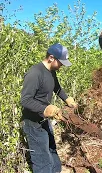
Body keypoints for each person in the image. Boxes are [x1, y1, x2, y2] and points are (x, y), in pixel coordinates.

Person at [20, 43, 78, 173]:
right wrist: (45, 109)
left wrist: (67, 99)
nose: (62, 65)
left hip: (44, 120)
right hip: (33, 123)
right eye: (61, 62)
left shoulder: (51, 72)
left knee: (52, 150)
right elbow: (25, 100)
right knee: (42, 160)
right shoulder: (35, 73)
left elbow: (56, 87)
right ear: (51, 58)